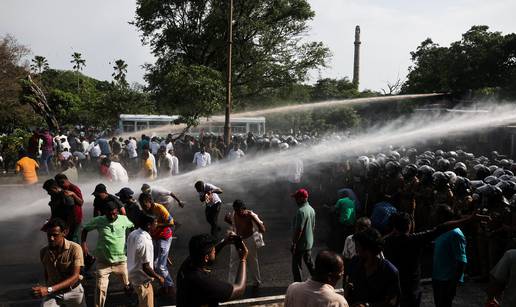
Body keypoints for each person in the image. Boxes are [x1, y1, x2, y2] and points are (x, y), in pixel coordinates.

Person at [384, 211, 489, 307]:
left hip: (392, 290)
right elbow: (441, 228)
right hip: (411, 292)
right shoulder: (414, 240)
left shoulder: (386, 242)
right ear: (409, 225)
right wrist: (469, 219)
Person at [81, 201, 134, 307]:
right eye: (108, 214)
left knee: (128, 285)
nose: (111, 216)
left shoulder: (123, 219)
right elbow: (85, 229)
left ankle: (132, 299)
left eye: (114, 213)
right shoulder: (99, 220)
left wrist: (131, 242)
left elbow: (132, 226)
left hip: (121, 261)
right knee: (100, 288)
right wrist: (84, 245)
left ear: (117, 211)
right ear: (104, 213)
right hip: (103, 263)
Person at [176, 233, 248, 306]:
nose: (215, 251)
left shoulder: (186, 266)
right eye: (213, 251)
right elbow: (239, 289)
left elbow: (206, 253)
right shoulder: (203, 282)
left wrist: (224, 242)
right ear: (206, 257)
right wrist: (243, 259)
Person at [32, 218, 86, 307]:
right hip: (53, 294)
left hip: (74, 293)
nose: (51, 238)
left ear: (64, 233)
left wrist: (48, 289)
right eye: (49, 235)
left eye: (55, 235)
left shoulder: (75, 248)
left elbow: (75, 276)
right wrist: (41, 290)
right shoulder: (43, 252)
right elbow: (47, 274)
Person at [345, 228, 400, 307]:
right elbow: (349, 286)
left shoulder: (389, 271)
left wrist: (367, 305)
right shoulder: (355, 263)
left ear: (367, 250)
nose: (356, 250)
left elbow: (392, 302)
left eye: (357, 246)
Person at [139, 193, 176, 296]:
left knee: (161, 266)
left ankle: (170, 287)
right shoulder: (145, 211)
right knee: (154, 264)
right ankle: (164, 286)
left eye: (144, 204)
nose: (143, 207)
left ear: (150, 202)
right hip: (154, 238)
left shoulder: (160, 208)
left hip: (164, 237)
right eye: (141, 205)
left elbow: (172, 223)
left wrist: (157, 225)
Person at [431, 205, 467, 307]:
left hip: (447, 280)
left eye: (436, 214)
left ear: (442, 216)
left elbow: (461, 261)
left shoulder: (455, 234)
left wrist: (454, 284)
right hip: (437, 277)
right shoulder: (441, 231)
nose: (434, 216)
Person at [224, 199, 266, 287]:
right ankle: (231, 283)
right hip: (237, 240)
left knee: (252, 261)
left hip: (249, 240)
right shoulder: (235, 213)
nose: (237, 212)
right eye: (235, 210)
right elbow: (235, 225)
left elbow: (262, 229)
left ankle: (256, 281)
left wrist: (254, 218)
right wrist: (227, 220)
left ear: (243, 208)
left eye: (239, 210)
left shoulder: (251, 215)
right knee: (233, 261)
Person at [285, 250, 349, 307]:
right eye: (341, 273)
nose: (342, 274)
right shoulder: (338, 302)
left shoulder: (292, 288)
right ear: (329, 277)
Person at [127, 213, 165, 307]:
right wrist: (159, 277)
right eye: (155, 223)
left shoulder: (133, 233)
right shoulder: (145, 241)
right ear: (148, 225)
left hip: (133, 277)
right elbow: (146, 267)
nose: (157, 224)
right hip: (142, 282)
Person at [291, 188, 316, 282]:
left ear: (302, 198)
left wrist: (294, 243)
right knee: (309, 262)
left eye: (297, 198)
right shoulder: (311, 209)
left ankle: (298, 284)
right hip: (309, 242)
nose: (295, 200)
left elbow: (299, 230)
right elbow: (313, 227)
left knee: (296, 265)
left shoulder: (301, 211)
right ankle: (318, 280)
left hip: (300, 243)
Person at [55, 174, 84, 243]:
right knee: (68, 237)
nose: (61, 185)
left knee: (75, 237)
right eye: (59, 183)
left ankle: (79, 252)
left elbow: (81, 202)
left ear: (67, 180)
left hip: (76, 218)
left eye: (62, 182)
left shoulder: (74, 188)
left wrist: (73, 194)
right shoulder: (62, 189)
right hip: (67, 218)